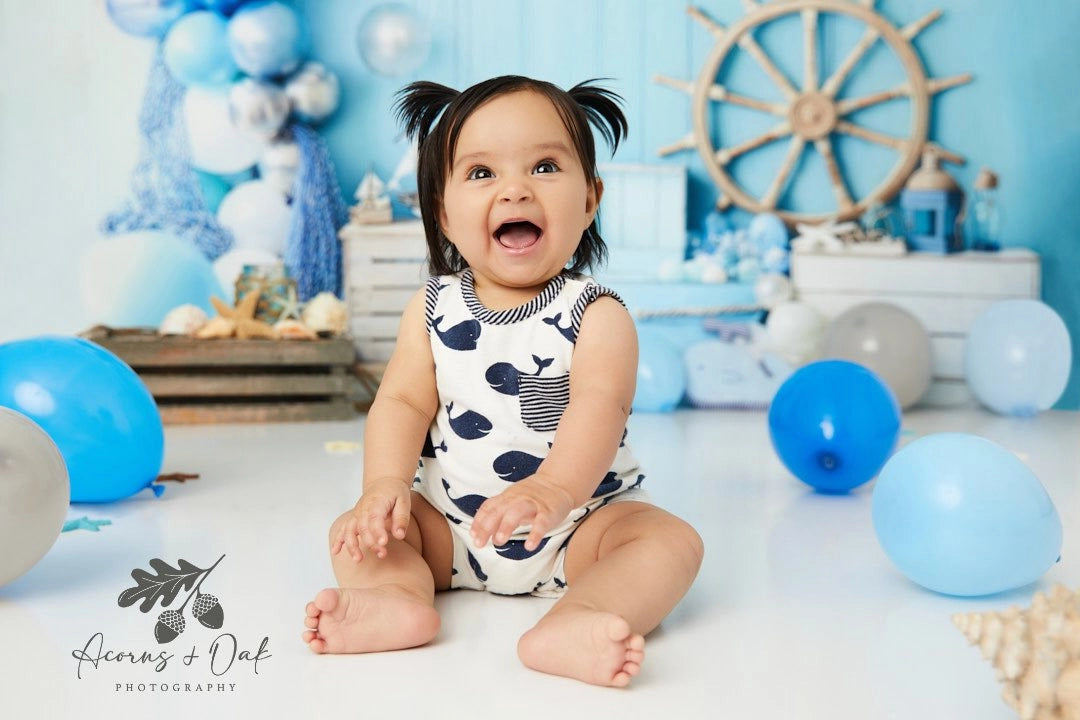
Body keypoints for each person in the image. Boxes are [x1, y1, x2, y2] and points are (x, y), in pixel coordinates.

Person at [302, 75, 704, 688]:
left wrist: (554, 489)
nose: (515, 189)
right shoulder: (432, 309)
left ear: (590, 199)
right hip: (449, 530)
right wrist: (383, 487)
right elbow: (402, 401)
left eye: (545, 167)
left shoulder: (597, 315)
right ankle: (395, 599)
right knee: (355, 535)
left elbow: (599, 407)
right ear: (443, 212)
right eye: (482, 173)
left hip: (577, 529)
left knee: (670, 542)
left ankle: (583, 614)